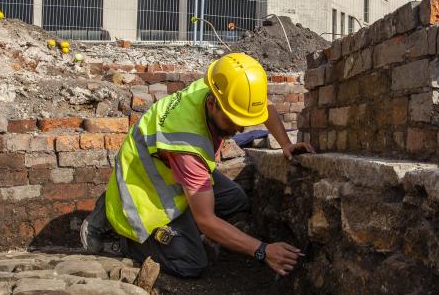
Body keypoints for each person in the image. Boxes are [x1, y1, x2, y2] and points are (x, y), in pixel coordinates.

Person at [80, 53, 314, 278]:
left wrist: (285, 143)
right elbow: (206, 220)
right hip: (146, 189)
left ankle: (162, 220)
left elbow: (262, 106)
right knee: (192, 262)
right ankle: (121, 235)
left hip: (163, 167)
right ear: (212, 104)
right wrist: (263, 250)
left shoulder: (220, 86)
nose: (240, 129)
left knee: (236, 200)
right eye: (233, 120)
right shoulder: (187, 145)